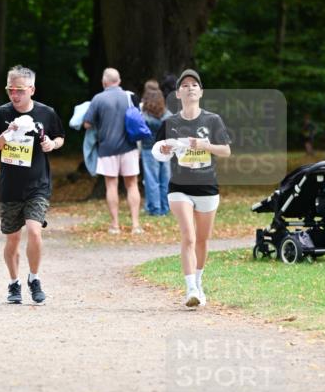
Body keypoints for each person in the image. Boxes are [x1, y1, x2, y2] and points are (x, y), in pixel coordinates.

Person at [0, 65, 65, 305]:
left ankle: (34, 278)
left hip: (37, 185)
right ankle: (13, 283)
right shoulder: (0, 114)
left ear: (32, 89)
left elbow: (60, 137)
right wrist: (6, 135)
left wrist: (52, 144)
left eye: (19, 90)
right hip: (10, 186)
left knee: (34, 230)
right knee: (12, 239)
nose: (14, 95)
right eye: (10, 90)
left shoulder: (46, 113)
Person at [154, 69, 231, 308]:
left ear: (201, 92)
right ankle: (189, 290)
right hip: (179, 187)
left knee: (202, 240)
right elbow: (157, 150)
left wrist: (205, 145)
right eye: (185, 85)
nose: (190, 88)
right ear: (178, 93)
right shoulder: (171, 123)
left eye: (194, 84)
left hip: (207, 186)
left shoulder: (212, 120)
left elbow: (226, 151)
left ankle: (198, 282)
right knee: (189, 235)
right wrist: (165, 150)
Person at [83, 68, 142, 234]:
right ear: (119, 80)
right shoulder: (130, 97)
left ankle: (115, 225)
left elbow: (87, 123)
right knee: (132, 185)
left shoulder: (98, 99)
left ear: (104, 81)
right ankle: (136, 225)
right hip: (129, 147)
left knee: (111, 185)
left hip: (107, 148)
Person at [140, 88, 171, 215]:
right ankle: (165, 207)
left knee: (152, 180)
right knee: (165, 180)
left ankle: (155, 209)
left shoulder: (144, 115)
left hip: (149, 149)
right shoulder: (167, 114)